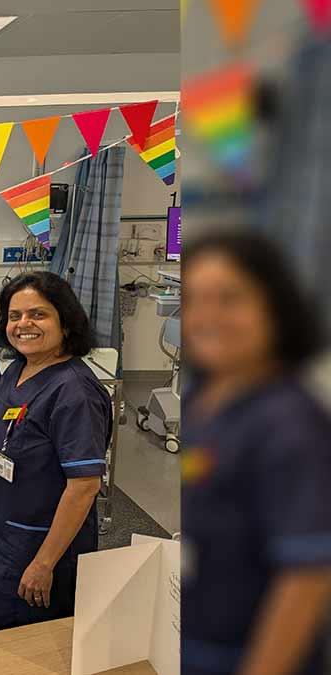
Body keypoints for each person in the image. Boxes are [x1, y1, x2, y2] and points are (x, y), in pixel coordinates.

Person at [181, 232, 331, 675]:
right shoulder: (204, 399)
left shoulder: (289, 425)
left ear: (274, 306)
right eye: (193, 300)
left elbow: (306, 579)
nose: (207, 317)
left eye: (229, 299)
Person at [0, 272, 110, 631]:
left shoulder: (74, 392)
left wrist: (43, 564)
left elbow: (83, 487)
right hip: (5, 540)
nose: (24, 324)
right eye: (15, 315)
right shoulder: (17, 370)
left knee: (35, 652)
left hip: (40, 553)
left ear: (65, 323)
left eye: (38, 314)